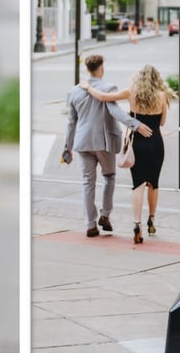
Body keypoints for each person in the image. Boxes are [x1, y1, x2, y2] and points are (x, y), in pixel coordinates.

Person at [63, 54, 153, 238]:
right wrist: (135, 124)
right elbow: (116, 112)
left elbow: (71, 122)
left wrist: (67, 147)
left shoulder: (73, 92)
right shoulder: (108, 88)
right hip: (103, 142)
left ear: (88, 69)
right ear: (101, 68)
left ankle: (90, 225)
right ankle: (105, 215)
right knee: (109, 177)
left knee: (87, 182)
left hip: (83, 143)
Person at [82, 64, 172, 244]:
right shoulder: (162, 96)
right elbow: (162, 122)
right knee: (153, 184)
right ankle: (151, 221)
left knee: (138, 185)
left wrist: (88, 87)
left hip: (137, 145)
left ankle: (136, 223)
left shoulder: (131, 93)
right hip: (155, 144)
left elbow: (104, 97)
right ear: (157, 79)